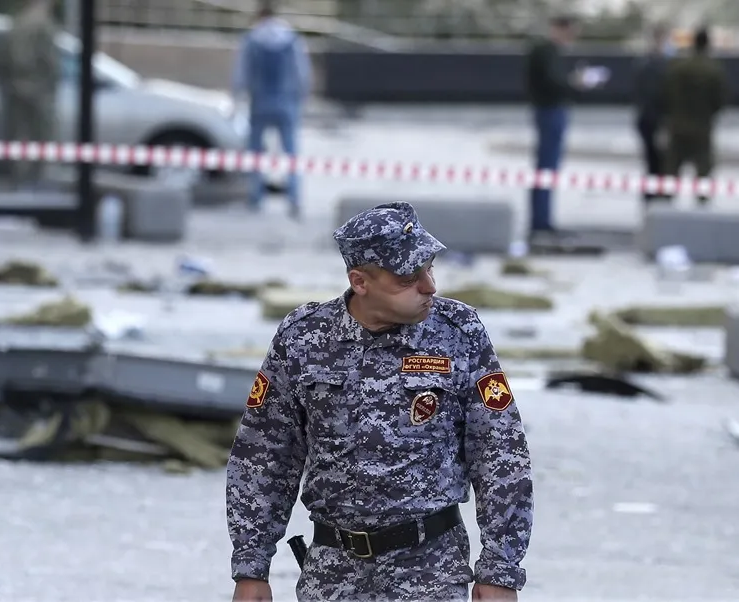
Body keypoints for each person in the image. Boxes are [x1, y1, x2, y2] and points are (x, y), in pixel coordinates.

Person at [226, 202, 534, 602]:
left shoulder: (458, 333)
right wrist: (251, 567)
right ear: (360, 282)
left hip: (430, 569)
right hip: (332, 572)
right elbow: (264, 454)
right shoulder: (303, 338)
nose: (429, 287)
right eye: (408, 278)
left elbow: (499, 453)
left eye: (430, 269)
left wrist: (500, 570)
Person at [231, 0, 311, 219]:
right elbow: (301, 71)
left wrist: (236, 98)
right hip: (286, 102)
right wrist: (303, 97)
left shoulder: (251, 39)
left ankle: (255, 197)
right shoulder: (291, 38)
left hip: (260, 103)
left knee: (256, 153)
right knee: (291, 152)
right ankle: (294, 198)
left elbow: (241, 73)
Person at [523, 15, 591, 241]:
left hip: (551, 110)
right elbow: (553, 83)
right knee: (546, 166)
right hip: (550, 111)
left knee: (548, 166)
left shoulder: (548, 52)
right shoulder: (545, 52)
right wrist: (574, 83)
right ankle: (540, 221)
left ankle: (542, 219)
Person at [0, 0, 60, 190]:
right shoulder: (43, 24)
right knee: (40, 133)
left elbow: (1, 56)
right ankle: (36, 177)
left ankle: (17, 175)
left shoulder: (17, 23)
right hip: (38, 89)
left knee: (17, 132)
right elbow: (50, 60)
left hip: (15, 86)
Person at [663, 26, 729, 206]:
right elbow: (719, 101)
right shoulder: (713, 70)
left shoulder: (677, 67)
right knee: (703, 171)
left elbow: (666, 95)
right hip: (702, 127)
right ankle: (701, 207)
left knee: (672, 170)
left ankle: (667, 205)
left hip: (677, 125)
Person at [632, 23, 674, 203]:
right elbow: (654, 96)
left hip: (649, 120)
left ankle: (655, 202)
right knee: (658, 164)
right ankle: (656, 202)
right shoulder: (656, 66)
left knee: (655, 164)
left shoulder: (646, 63)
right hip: (654, 120)